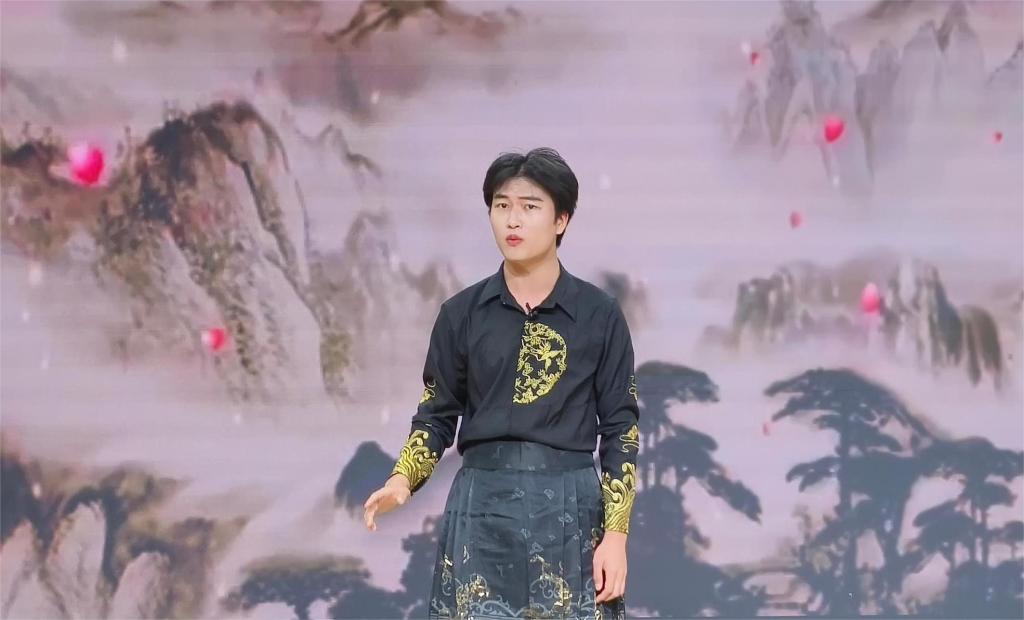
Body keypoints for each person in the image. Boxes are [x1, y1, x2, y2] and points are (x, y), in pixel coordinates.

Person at [363, 147, 639, 619]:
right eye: (501, 205)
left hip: (570, 509)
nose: (513, 220)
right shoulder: (461, 314)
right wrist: (401, 480)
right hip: (481, 509)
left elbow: (620, 428)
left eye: (530, 207)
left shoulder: (600, 315)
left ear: (561, 219)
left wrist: (615, 535)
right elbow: (436, 415)